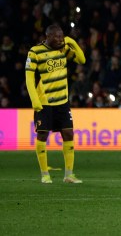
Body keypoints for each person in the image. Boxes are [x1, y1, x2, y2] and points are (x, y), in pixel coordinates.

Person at [25, 24, 86, 184]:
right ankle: (45, 174)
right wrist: (35, 101)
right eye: (57, 37)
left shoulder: (63, 48)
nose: (60, 39)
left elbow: (82, 59)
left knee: (68, 134)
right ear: (48, 36)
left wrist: (72, 42)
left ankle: (69, 175)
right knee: (42, 135)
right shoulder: (35, 51)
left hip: (63, 102)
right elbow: (29, 78)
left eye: (62, 36)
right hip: (44, 102)